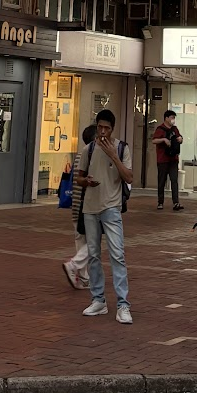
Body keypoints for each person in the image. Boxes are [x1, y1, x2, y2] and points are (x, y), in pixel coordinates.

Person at [74, 109, 134, 324]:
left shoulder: (122, 148)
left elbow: (129, 177)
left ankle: (123, 304)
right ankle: (98, 300)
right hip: (90, 207)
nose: (102, 132)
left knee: (117, 254)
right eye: (99, 127)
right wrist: (86, 181)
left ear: (112, 129)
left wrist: (113, 156)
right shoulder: (88, 149)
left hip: (111, 207)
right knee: (93, 255)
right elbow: (78, 178)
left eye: (106, 128)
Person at [63, 123, 97, 289]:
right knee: (93, 241)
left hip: (76, 205)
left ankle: (83, 276)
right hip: (87, 206)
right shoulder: (92, 155)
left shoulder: (79, 155)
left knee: (81, 241)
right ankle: (74, 265)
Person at [153, 109, 184, 211]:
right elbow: (154, 140)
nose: (173, 120)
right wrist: (163, 139)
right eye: (172, 117)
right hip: (163, 159)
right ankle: (160, 202)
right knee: (162, 181)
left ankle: (176, 202)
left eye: (174, 118)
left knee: (174, 181)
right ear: (166, 118)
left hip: (173, 159)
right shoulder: (160, 129)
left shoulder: (175, 129)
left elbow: (180, 138)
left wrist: (180, 139)